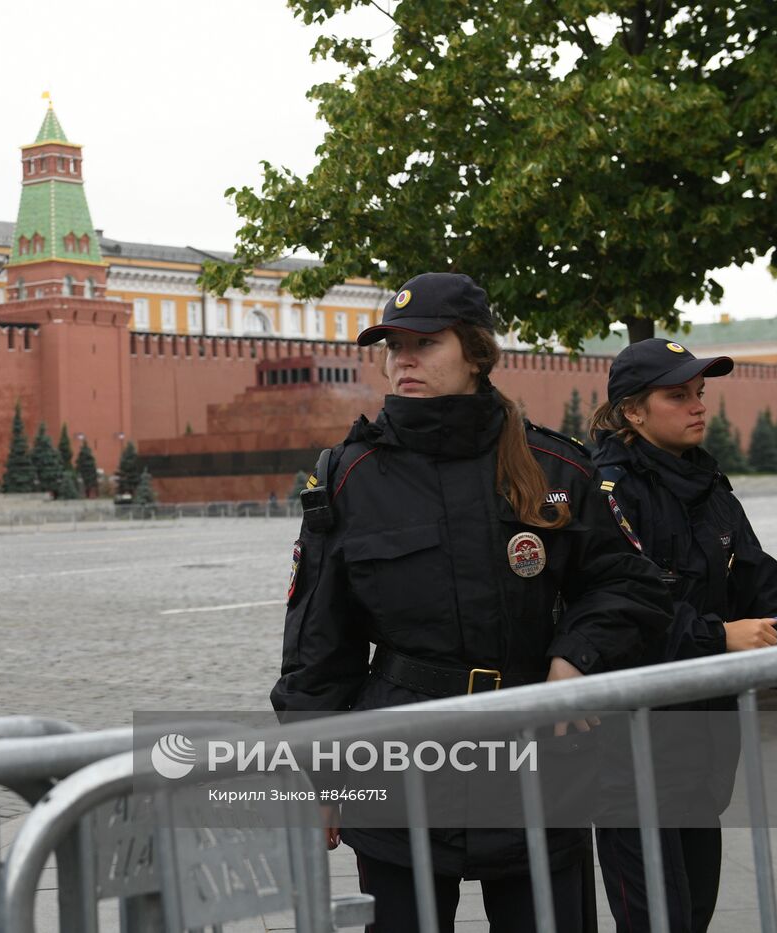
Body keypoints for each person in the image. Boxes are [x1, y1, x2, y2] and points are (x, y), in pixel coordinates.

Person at [272, 272, 672, 932]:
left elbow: (630, 583)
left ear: (477, 351)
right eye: (392, 343)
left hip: (537, 758)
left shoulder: (552, 467)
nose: (403, 357)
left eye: (424, 342)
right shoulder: (350, 475)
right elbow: (320, 641)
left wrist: (576, 656)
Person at [589, 338, 777, 933]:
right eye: (677, 396)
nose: (697, 407)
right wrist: (718, 639)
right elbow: (617, 613)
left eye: (700, 394)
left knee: (693, 913)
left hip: (702, 749)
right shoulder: (608, 493)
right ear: (633, 411)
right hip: (629, 754)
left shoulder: (708, 487)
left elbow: (762, 581)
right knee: (654, 920)